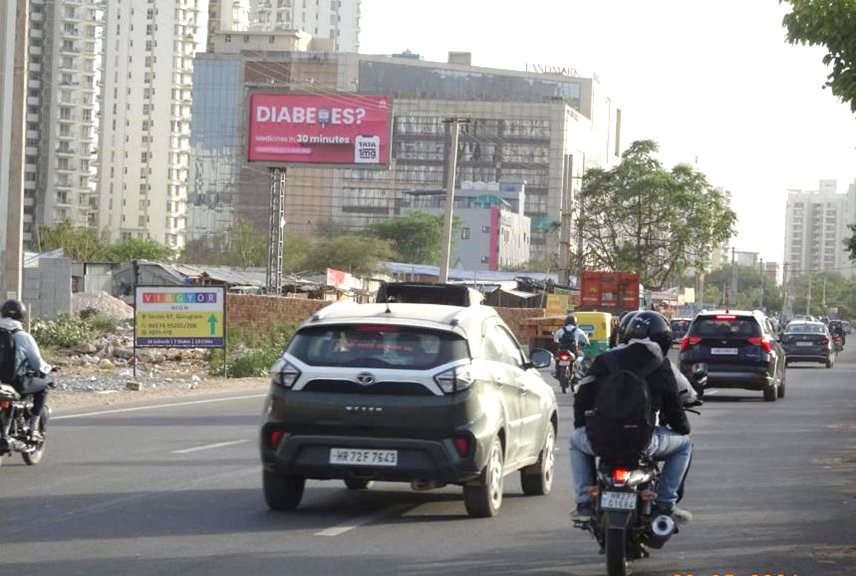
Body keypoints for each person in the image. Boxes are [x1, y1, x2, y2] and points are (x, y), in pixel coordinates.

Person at [569, 311, 692, 523]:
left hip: (601, 441)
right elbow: (675, 413)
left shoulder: (604, 360)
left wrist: (586, 429)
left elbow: (581, 401)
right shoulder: (660, 365)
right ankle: (665, 504)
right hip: (643, 442)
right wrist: (683, 428)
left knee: (574, 440)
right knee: (685, 446)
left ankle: (584, 503)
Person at [0, 300, 52, 440]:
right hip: (15, 382)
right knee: (44, 386)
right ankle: (33, 427)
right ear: (21, 316)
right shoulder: (24, 337)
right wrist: (47, 368)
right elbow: (36, 364)